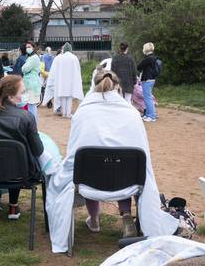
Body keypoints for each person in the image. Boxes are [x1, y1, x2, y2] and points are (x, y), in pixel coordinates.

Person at [46, 71, 179, 253]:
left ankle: (94, 220)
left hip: (89, 181)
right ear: (117, 88)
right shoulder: (132, 114)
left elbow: (73, 152)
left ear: (94, 86)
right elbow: (142, 152)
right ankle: (126, 216)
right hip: (128, 181)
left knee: (91, 167)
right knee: (120, 164)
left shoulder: (83, 113)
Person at [0, 75, 54, 220]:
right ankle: (13, 207)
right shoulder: (26, 117)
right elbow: (38, 150)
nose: (23, 96)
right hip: (21, 174)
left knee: (7, 157)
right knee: (17, 159)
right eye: (22, 93)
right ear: (10, 96)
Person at [42, 42, 84, 118]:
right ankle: (68, 113)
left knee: (63, 97)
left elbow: (53, 70)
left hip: (61, 82)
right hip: (70, 81)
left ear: (63, 49)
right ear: (70, 49)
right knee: (69, 97)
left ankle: (64, 113)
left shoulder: (59, 58)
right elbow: (78, 70)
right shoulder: (74, 57)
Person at [136, 42, 158, 122]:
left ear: (145, 49)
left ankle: (152, 116)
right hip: (151, 79)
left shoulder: (148, 58)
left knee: (148, 98)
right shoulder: (154, 57)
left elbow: (138, 67)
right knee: (147, 98)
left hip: (147, 80)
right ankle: (148, 115)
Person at [21, 41, 41, 122]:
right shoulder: (30, 57)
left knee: (31, 104)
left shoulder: (34, 58)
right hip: (30, 83)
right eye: (26, 47)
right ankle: (33, 123)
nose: (27, 48)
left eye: (29, 47)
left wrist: (24, 68)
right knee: (30, 105)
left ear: (33, 47)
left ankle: (33, 124)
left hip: (32, 84)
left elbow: (24, 69)